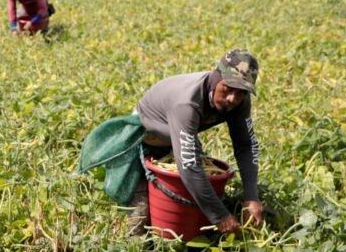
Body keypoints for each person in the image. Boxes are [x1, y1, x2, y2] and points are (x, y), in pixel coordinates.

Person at [79, 49, 264, 236]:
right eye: (228, 88)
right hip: (149, 133)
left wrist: (251, 196)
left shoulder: (239, 102)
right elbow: (189, 166)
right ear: (216, 78)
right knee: (142, 214)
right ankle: (139, 251)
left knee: (199, 192)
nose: (232, 98)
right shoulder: (187, 103)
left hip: (179, 132)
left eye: (241, 92)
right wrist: (220, 216)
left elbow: (246, 145)